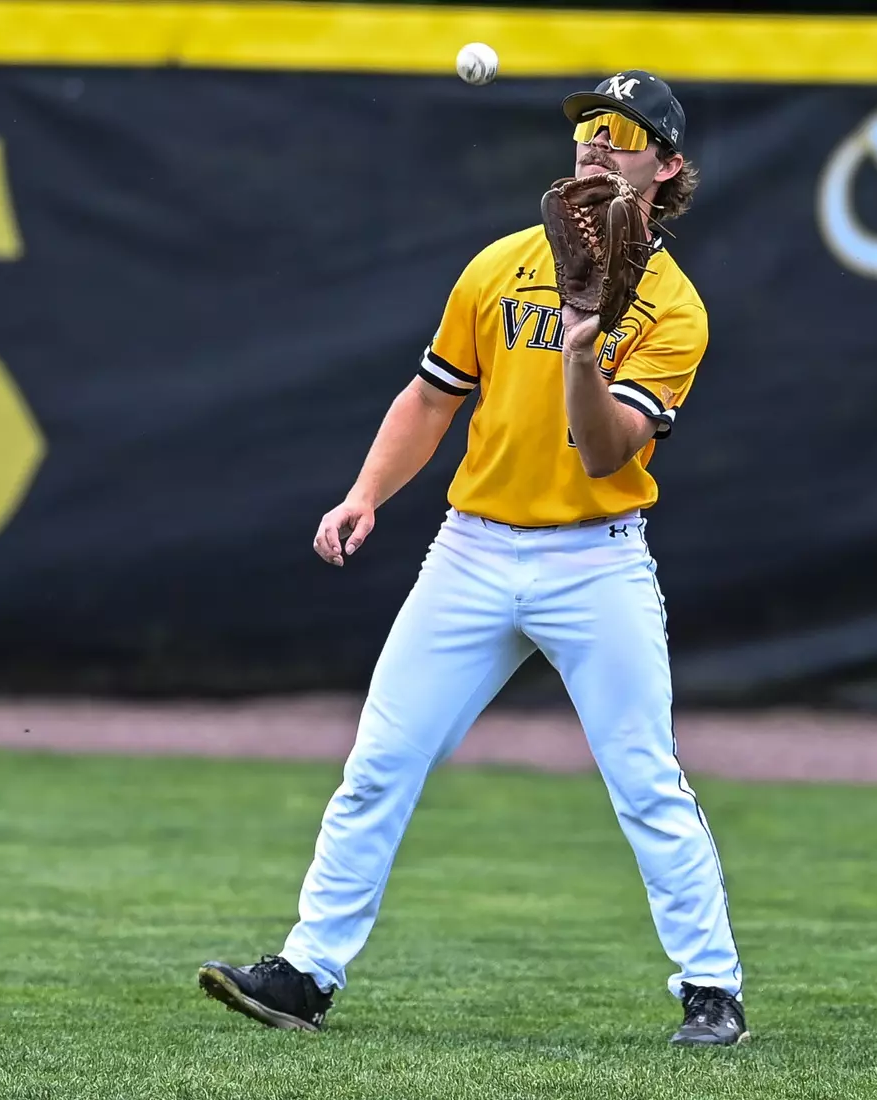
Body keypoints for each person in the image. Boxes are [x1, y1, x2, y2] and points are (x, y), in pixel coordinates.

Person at [198, 70, 747, 1048]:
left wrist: (582, 348)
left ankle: (710, 987)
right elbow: (431, 396)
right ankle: (305, 974)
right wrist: (365, 492)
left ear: (665, 167)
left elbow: (609, 448)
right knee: (377, 762)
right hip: (471, 551)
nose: (594, 143)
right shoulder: (499, 264)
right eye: (586, 126)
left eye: (622, 132)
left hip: (596, 561)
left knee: (643, 775)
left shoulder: (671, 308)